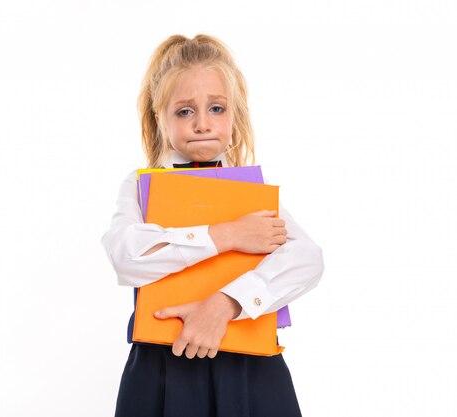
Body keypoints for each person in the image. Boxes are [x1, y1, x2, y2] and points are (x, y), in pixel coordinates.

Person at [101, 34, 324, 417]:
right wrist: (228, 235)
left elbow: (307, 259)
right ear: (160, 118)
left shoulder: (253, 190)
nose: (203, 124)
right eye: (185, 111)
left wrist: (225, 304)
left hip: (250, 366)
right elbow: (127, 256)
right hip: (163, 367)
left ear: (234, 116)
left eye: (217, 108)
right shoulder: (139, 185)